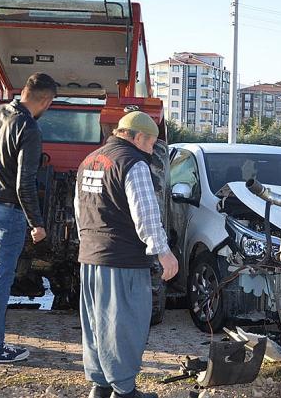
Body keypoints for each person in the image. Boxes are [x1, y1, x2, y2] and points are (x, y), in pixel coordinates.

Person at [75, 110, 178, 398]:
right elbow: (145, 213)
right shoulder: (133, 163)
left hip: (90, 257)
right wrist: (163, 252)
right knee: (125, 325)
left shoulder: (89, 161)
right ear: (139, 137)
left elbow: (79, 209)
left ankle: (101, 386)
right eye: (150, 144)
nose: (150, 152)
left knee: (96, 324)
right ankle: (124, 391)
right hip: (122, 261)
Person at [0, 72, 57, 363]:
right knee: (0, 278)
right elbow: (24, 184)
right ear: (46, 100)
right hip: (8, 213)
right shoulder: (28, 127)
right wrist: (37, 223)